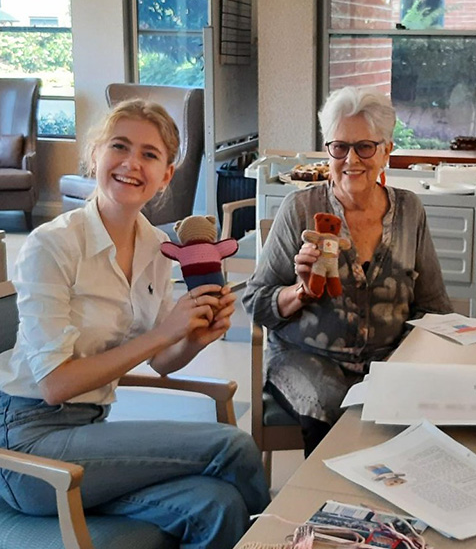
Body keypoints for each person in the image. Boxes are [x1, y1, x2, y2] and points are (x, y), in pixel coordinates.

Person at [0, 99, 270, 548]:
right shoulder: (53, 245)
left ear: (166, 174)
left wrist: (194, 338)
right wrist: (166, 332)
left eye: (149, 154)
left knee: (217, 506)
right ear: (95, 156)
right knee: (233, 446)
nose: (131, 163)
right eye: (119, 147)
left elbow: (164, 360)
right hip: (28, 447)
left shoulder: (156, 245)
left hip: (90, 433)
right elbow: (55, 386)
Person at [243, 87, 451, 456]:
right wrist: (300, 292)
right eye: (339, 147)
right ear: (328, 151)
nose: (351, 159)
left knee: (418, 416)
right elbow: (256, 301)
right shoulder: (300, 209)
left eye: (365, 147)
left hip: (388, 358)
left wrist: (412, 363)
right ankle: (325, 507)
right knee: (334, 406)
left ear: (387, 150)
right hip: (306, 358)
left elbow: (434, 306)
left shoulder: (409, 212)